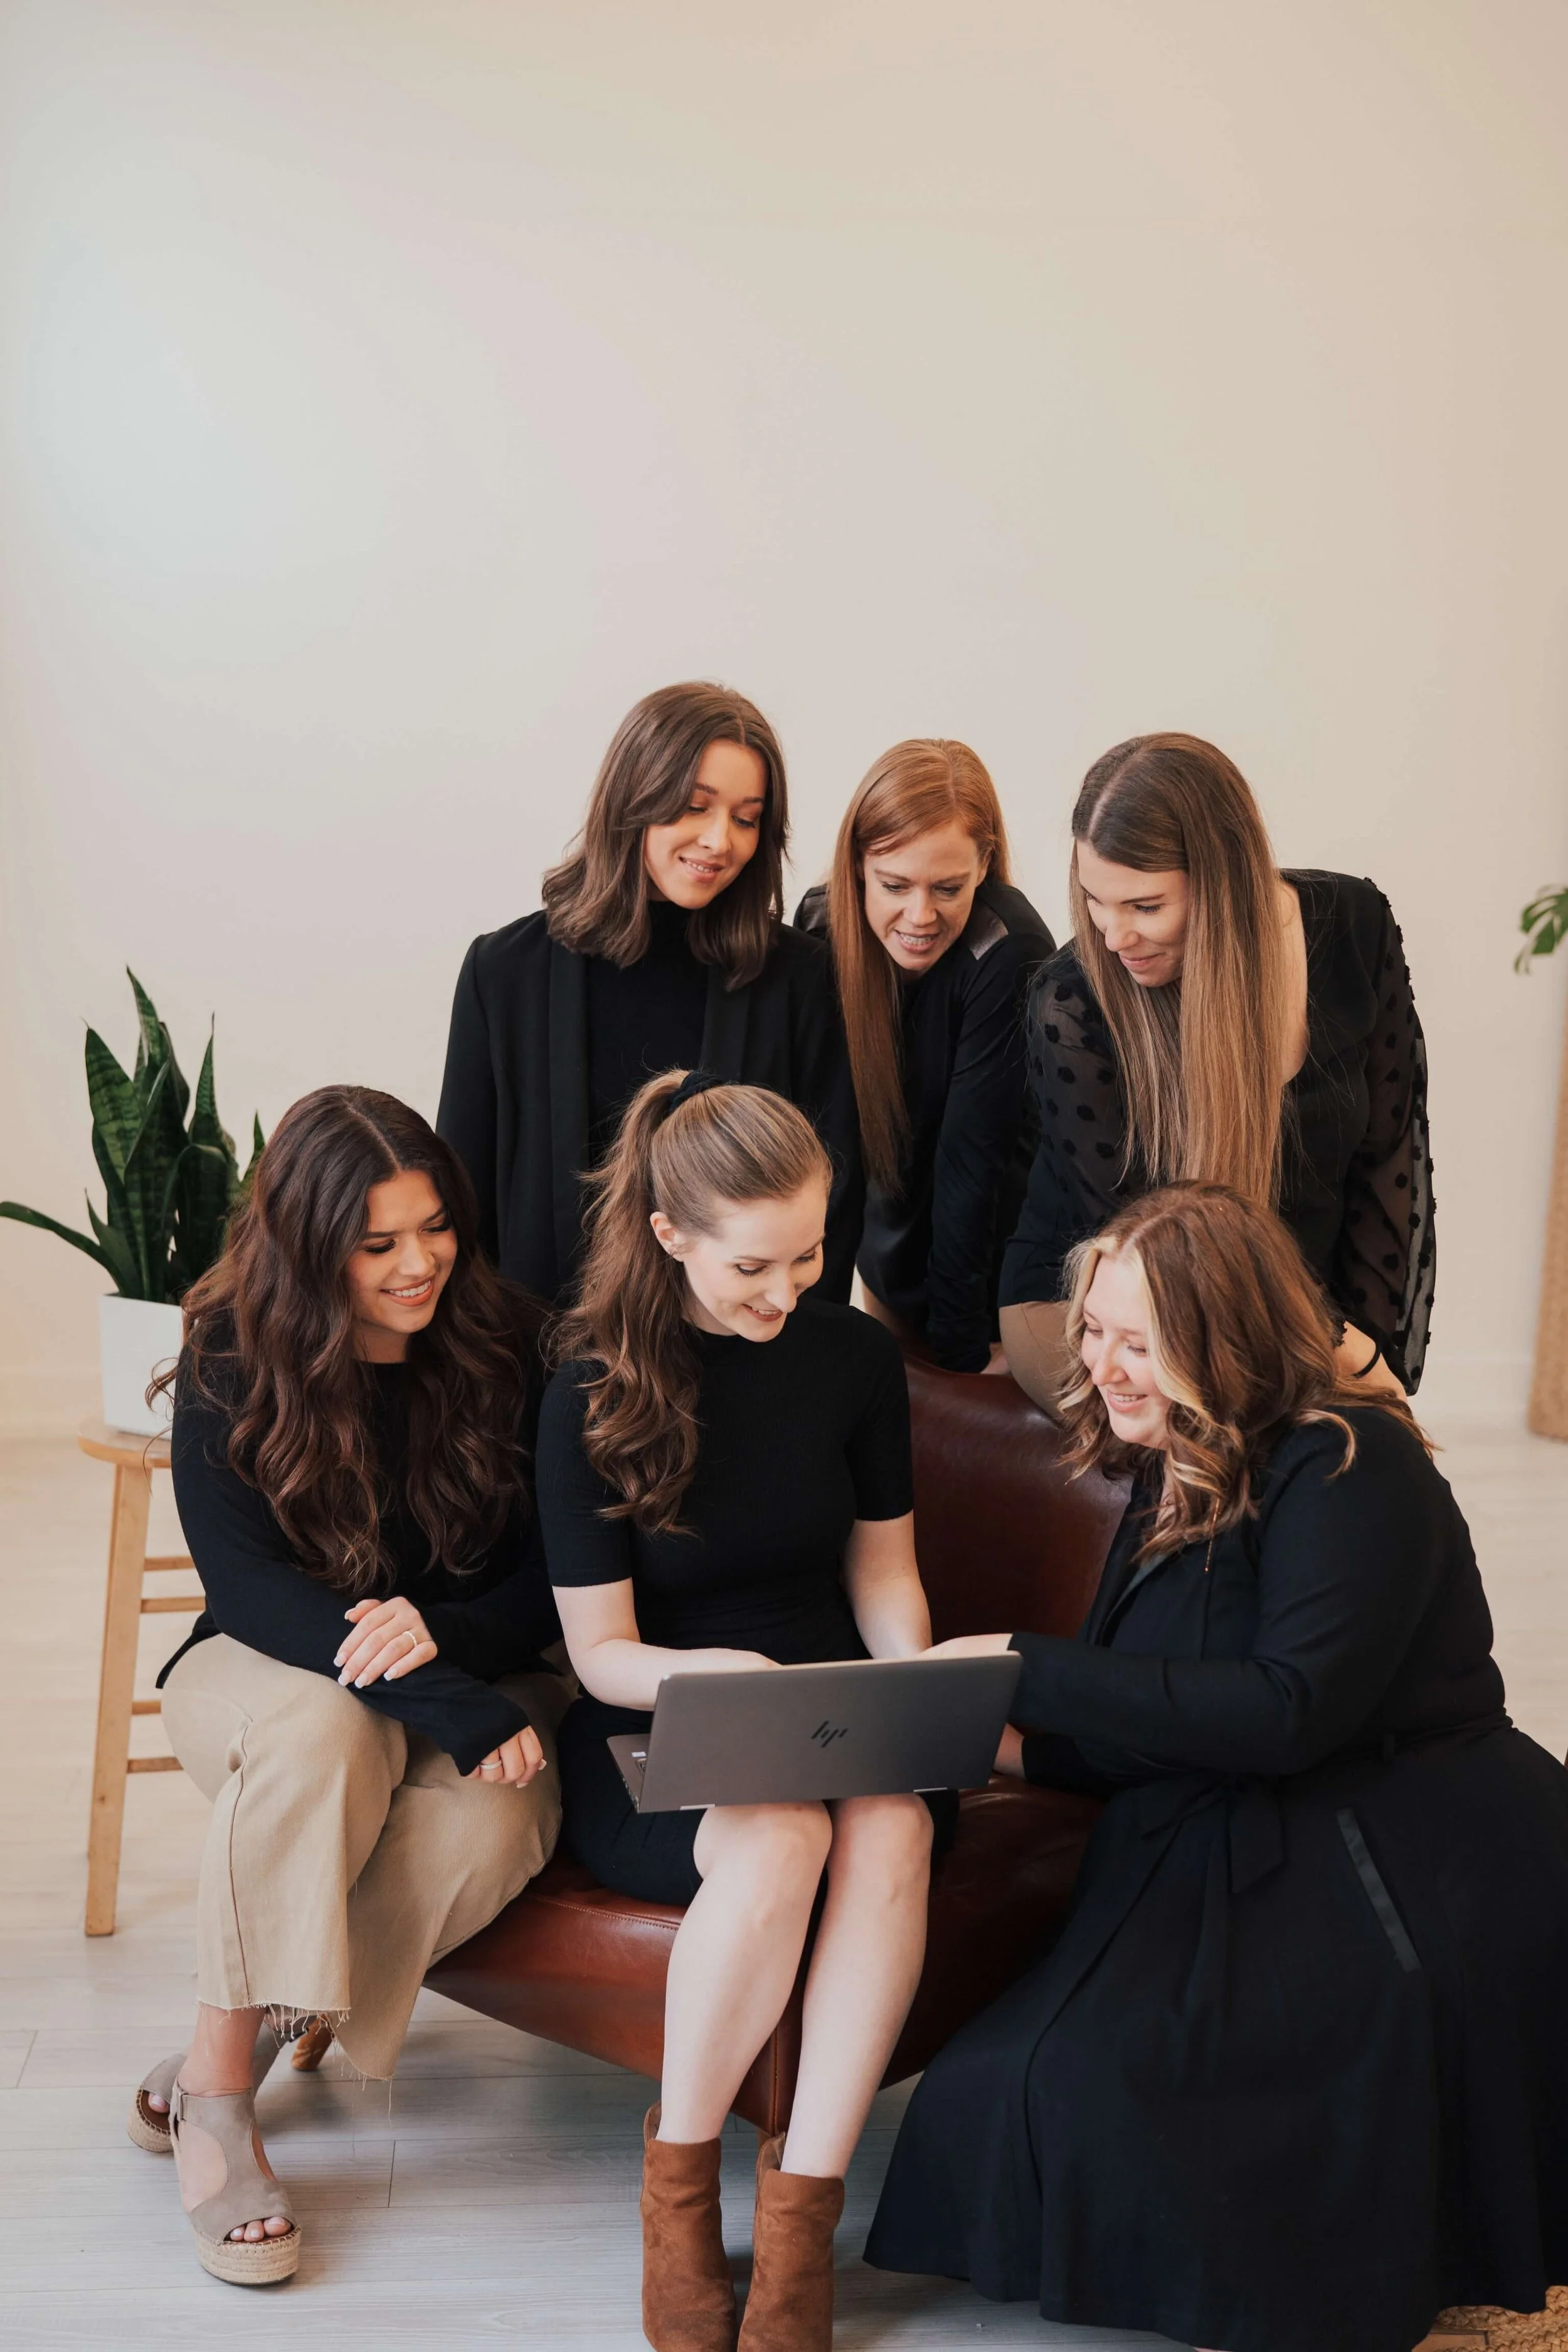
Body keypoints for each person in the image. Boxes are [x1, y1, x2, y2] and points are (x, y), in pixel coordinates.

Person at [866, 1183, 1568, 2352]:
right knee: (994, 2096)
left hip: (1399, 1838)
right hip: (1230, 1818)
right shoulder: (1175, 1454)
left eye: (1142, 1343)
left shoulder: (1351, 1462)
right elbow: (1168, 1698)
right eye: (1095, 1331)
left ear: (1226, 1338)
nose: (1105, 1366)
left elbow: (1289, 1710)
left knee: (1138, 2108)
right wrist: (1004, 1738)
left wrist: (1026, 1670)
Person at [535, 1071, 946, 2352]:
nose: (788, 1292)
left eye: (812, 1253)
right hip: (658, 1716)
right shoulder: (590, 1387)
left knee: (889, 1825)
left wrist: (913, 1695)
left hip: (825, 1701)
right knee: (778, 1840)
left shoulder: (853, 1355)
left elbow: (881, 1573)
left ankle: (797, 2232)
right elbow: (599, 1652)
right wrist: (715, 1682)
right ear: (669, 1237)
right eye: (753, 1267)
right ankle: (678, 2193)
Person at [129, 1088, 566, 2287]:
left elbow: (556, 1578)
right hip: (266, 1676)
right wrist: (444, 1698)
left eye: (434, 1228)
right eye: (379, 1246)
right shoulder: (230, 1353)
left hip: (467, 1663)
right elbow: (253, 1590)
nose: (420, 1264)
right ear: (309, 1247)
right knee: (332, 1728)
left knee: (506, 1813)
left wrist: (447, 1642)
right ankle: (217, 2104)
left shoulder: (514, 1344)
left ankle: (260, 2027)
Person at [998, 732, 1434, 1410]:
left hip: (1301, 1313)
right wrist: (1331, 1346)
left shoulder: (1354, 926)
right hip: (1109, 1314)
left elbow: (1387, 1165)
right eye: (1094, 900)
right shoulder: (1073, 1000)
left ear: (1225, 883)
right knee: (1255, 1458)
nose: (1113, 938)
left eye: (1146, 907)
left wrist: (1371, 1353)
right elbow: (1151, 1250)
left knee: (1374, 1458)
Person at [437, 681, 862, 1308]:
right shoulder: (501, 973)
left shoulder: (801, 980)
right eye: (695, 806)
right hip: (543, 1360)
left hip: (744, 1362)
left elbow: (835, 1198)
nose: (721, 840)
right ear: (632, 799)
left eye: (746, 819)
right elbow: (461, 1201)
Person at [794, 738, 1054, 1373]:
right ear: (857, 865)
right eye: (894, 885)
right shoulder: (820, 923)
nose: (920, 915)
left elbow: (972, 1161)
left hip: (991, 1266)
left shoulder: (1006, 949)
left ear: (984, 863)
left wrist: (962, 1349)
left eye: (948, 887)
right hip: (881, 1253)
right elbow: (820, 1143)